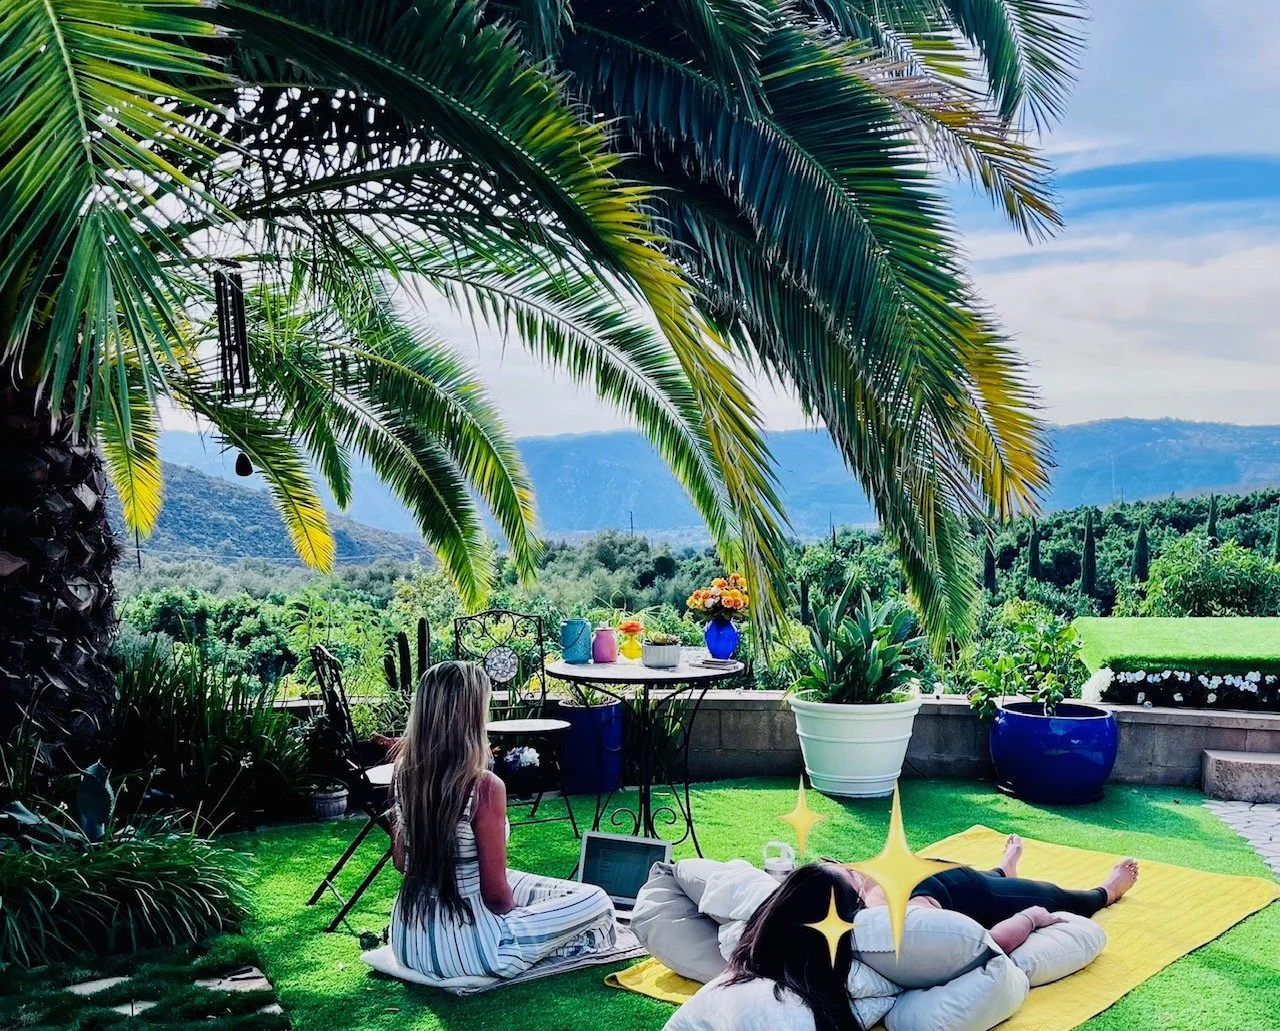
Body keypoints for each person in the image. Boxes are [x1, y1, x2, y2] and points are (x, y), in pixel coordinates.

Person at [726, 839, 1139, 1031]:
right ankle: (1094, 887)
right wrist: (1030, 918)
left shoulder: (794, 925)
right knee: (1050, 898)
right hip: (948, 886)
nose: (854, 871)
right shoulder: (895, 927)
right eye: (851, 876)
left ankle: (1018, 871)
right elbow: (986, 944)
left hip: (941, 877)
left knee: (1033, 889)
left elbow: (989, 943)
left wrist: (1031, 915)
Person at [389, 661, 616, 979]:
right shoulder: (483, 787)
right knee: (595, 900)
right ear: (469, 717)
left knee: (540, 886)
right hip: (470, 950)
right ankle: (548, 945)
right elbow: (495, 896)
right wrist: (519, 918)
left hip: (407, 940)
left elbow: (402, 863)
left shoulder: (403, 773)